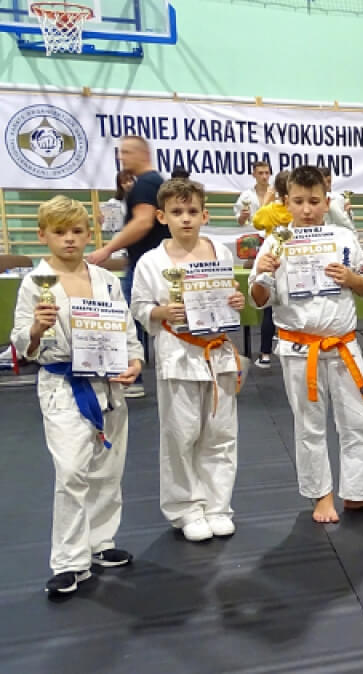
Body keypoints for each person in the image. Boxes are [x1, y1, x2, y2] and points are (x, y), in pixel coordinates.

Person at [250, 165, 363, 523]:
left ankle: (358, 493)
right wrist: (264, 272)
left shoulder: (343, 237)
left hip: (344, 345)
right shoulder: (275, 242)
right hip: (300, 350)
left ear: (326, 202)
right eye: (299, 201)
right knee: (310, 426)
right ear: (286, 202)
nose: (307, 209)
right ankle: (322, 496)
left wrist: (350, 278)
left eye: (314, 201)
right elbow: (258, 299)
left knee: (361, 421)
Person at [12, 196, 143, 595]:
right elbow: (21, 343)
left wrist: (135, 361)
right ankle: (69, 560)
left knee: (108, 468)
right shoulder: (35, 283)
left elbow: (126, 329)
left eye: (76, 231)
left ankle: (100, 542)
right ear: (43, 236)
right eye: (59, 232)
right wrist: (36, 329)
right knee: (71, 471)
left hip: (109, 382)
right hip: (63, 385)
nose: (69, 239)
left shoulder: (105, 280)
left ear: (89, 234)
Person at [131, 179, 244, 542]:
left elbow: (229, 296)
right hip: (178, 352)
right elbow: (139, 308)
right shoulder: (151, 262)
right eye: (177, 212)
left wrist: (236, 302)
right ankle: (186, 509)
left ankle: (218, 506)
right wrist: (162, 311)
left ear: (204, 215)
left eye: (192, 211)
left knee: (221, 434)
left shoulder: (220, 253)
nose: (185, 219)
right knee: (180, 435)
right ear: (162, 216)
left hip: (218, 352)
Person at [86, 135, 166, 399]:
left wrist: (107, 249)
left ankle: (134, 377)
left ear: (143, 154)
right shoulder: (152, 182)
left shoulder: (145, 185)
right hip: (149, 262)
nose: (122, 157)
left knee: (129, 320)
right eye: (121, 152)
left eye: (127, 152)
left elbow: (143, 222)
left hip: (144, 266)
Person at [250, 170, 293, 369]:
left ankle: (265, 354)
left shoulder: (270, 210)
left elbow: (257, 222)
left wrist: (267, 200)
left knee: (269, 309)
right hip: (293, 258)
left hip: (272, 259)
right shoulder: (295, 209)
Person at [235, 161, 273, 227]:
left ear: (270, 174)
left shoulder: (277, 194)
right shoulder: (246, 195)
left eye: (267, 173)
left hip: (272, 230)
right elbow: (240, 222)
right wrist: (243, 217)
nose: (264, 176)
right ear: (254, 175)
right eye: (260, 173)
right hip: (252, 230)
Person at [96, 170, 135, 234]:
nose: (128, 184)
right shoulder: (113, 202)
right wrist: (103, 222)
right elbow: (107, 228)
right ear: (120, 185)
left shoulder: (142, 199)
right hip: (121, 236)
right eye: (124, 182)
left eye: (130, 181)